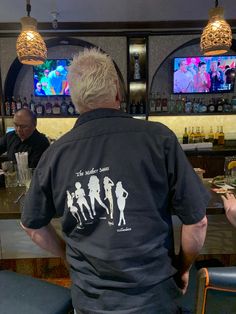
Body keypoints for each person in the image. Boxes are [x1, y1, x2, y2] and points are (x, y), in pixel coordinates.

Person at [21, 48, 209, 314]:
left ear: (74, 100)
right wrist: (182, 268)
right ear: (118, 93)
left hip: (90, 302)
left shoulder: (55, 153)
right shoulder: (159, 139)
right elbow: (198, 222)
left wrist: (67, 256)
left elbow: (32, 225)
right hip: (155, 299)